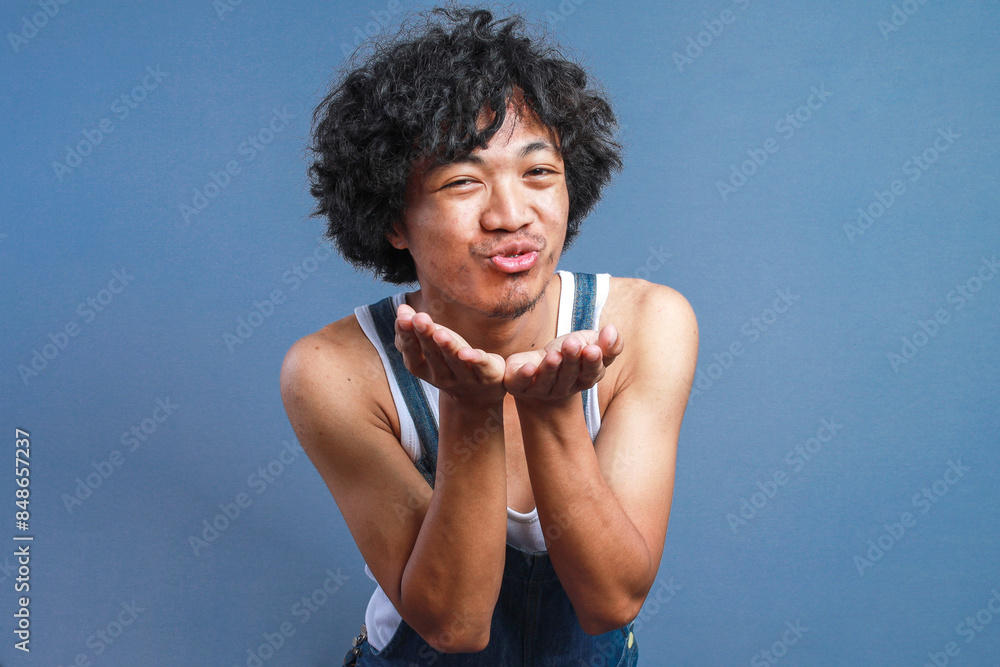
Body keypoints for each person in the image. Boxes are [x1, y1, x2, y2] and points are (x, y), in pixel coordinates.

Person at [280, 6, 698, 665]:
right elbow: (454, 623)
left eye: (538, 174)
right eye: (463, 181)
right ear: (395, 218)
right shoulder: (333, 369)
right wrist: (470, 408)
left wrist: (551, 408)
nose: (511, 215)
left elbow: (610, 600)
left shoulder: (647, 322)